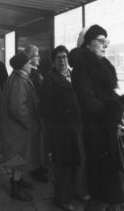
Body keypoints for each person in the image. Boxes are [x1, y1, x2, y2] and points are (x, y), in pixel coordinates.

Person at [68, 25, 124, 211]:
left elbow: (109, 99)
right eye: (100, 40)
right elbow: (90, 104)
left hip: (107, 135)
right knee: (104, 192)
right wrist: (117, 111)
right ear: (88, 45)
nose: (105, 44)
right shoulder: (81, 70)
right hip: (98, 137)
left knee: (110, 189)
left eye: (107, 41)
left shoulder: (101, 67)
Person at [41, 45, 84, 211]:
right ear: (53, 61)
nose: (62, 60)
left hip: (76, 128)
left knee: (75, 163)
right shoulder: (49, 79)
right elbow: (45, 109)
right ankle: (62, 199)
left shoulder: (73, 75)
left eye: (65, 57)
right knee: (63, 167)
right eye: (59, 58)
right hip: (60, 131)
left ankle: (73, 193)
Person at [0, 51, 45, 201]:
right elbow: (18, 108)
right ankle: (15, 188)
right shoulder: (20, 80)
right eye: (28, 62)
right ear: (22, 65)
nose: (31, 64)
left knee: (19, 156)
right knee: (18, 157)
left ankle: (17, 180)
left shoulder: (18, 77)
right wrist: (30, 123)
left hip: (15, 127)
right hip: (18, 128)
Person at [24, 44, 48, 183]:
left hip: (39, 111)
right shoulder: (31, 73)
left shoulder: (35, 71)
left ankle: (39, 165)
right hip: (36, 112)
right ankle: (36, 168)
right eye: (36, 54)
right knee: (36, 141)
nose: (38, 57)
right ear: (30, 58)